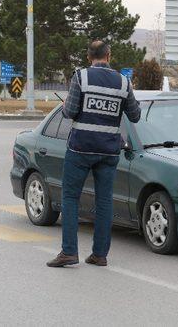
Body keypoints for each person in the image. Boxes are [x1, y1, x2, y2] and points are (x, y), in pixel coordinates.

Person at [47, 40, 141, 268]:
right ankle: (99, 254)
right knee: (104, 201)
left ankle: (69, 252)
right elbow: (135, 115)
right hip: (109, 151)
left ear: (89, 57)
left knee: (70, 198)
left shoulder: (81, 77)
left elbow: (69, 112)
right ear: (109, 55)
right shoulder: (123, 82)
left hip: (80, 148)